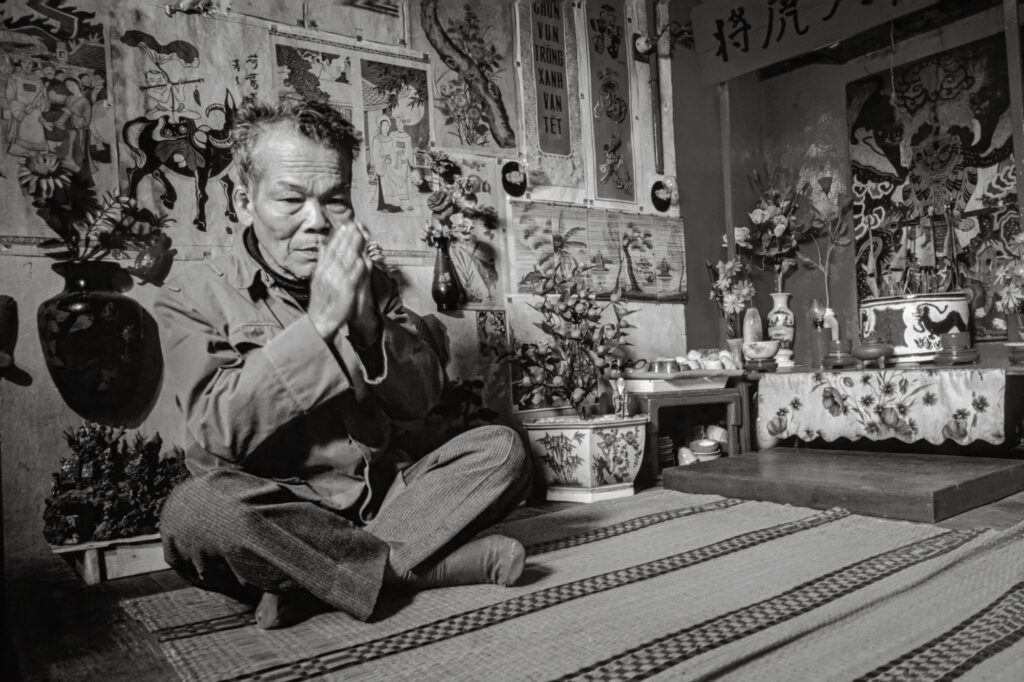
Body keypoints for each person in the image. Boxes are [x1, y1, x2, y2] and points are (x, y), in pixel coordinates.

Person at [155, 98, 530, 630]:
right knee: (195, 513)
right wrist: (320, 324)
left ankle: (313, 583)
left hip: (386, 503)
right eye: (291, 200)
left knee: (502, 450)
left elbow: (420, 402)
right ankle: (415, 571)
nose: (317, 223)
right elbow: (218, 432)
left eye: (335, 201)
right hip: (278, 517)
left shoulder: (372, 282)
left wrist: (367, 323)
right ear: (243, 200)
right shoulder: (190, 294)